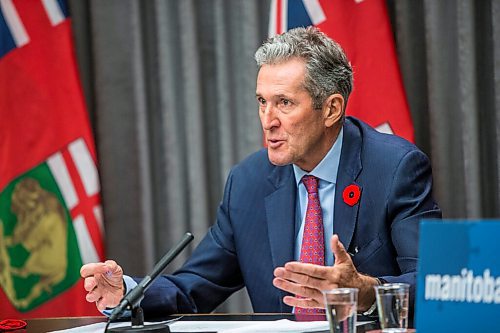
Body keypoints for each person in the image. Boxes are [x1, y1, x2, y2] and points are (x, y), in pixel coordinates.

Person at [80, 26, 441, 318]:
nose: (268, 121)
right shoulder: (248, 182)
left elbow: (432, 283)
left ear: (331, 109)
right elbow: (193, 287)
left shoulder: (395, 169)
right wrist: (128, 292)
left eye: (284, 103)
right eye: (262, 102)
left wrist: (363, 291)